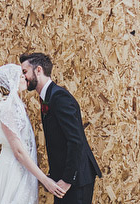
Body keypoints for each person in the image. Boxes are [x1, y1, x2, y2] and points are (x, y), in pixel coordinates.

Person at [20, 53, 102, 204]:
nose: (23, 77)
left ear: (38, 70)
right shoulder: (48, 96)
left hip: (77, 180)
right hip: (63, 178)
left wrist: (67, 180)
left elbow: (75, 140)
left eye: (25, 72)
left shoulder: (59, 97)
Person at [0, 63, 65, 204]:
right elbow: (19, 151)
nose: (25, 79)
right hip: (13, 169)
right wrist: (45, 180)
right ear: (12, 81)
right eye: (21, 76)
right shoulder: (7, 109)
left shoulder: (16, 106)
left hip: (22, 167)